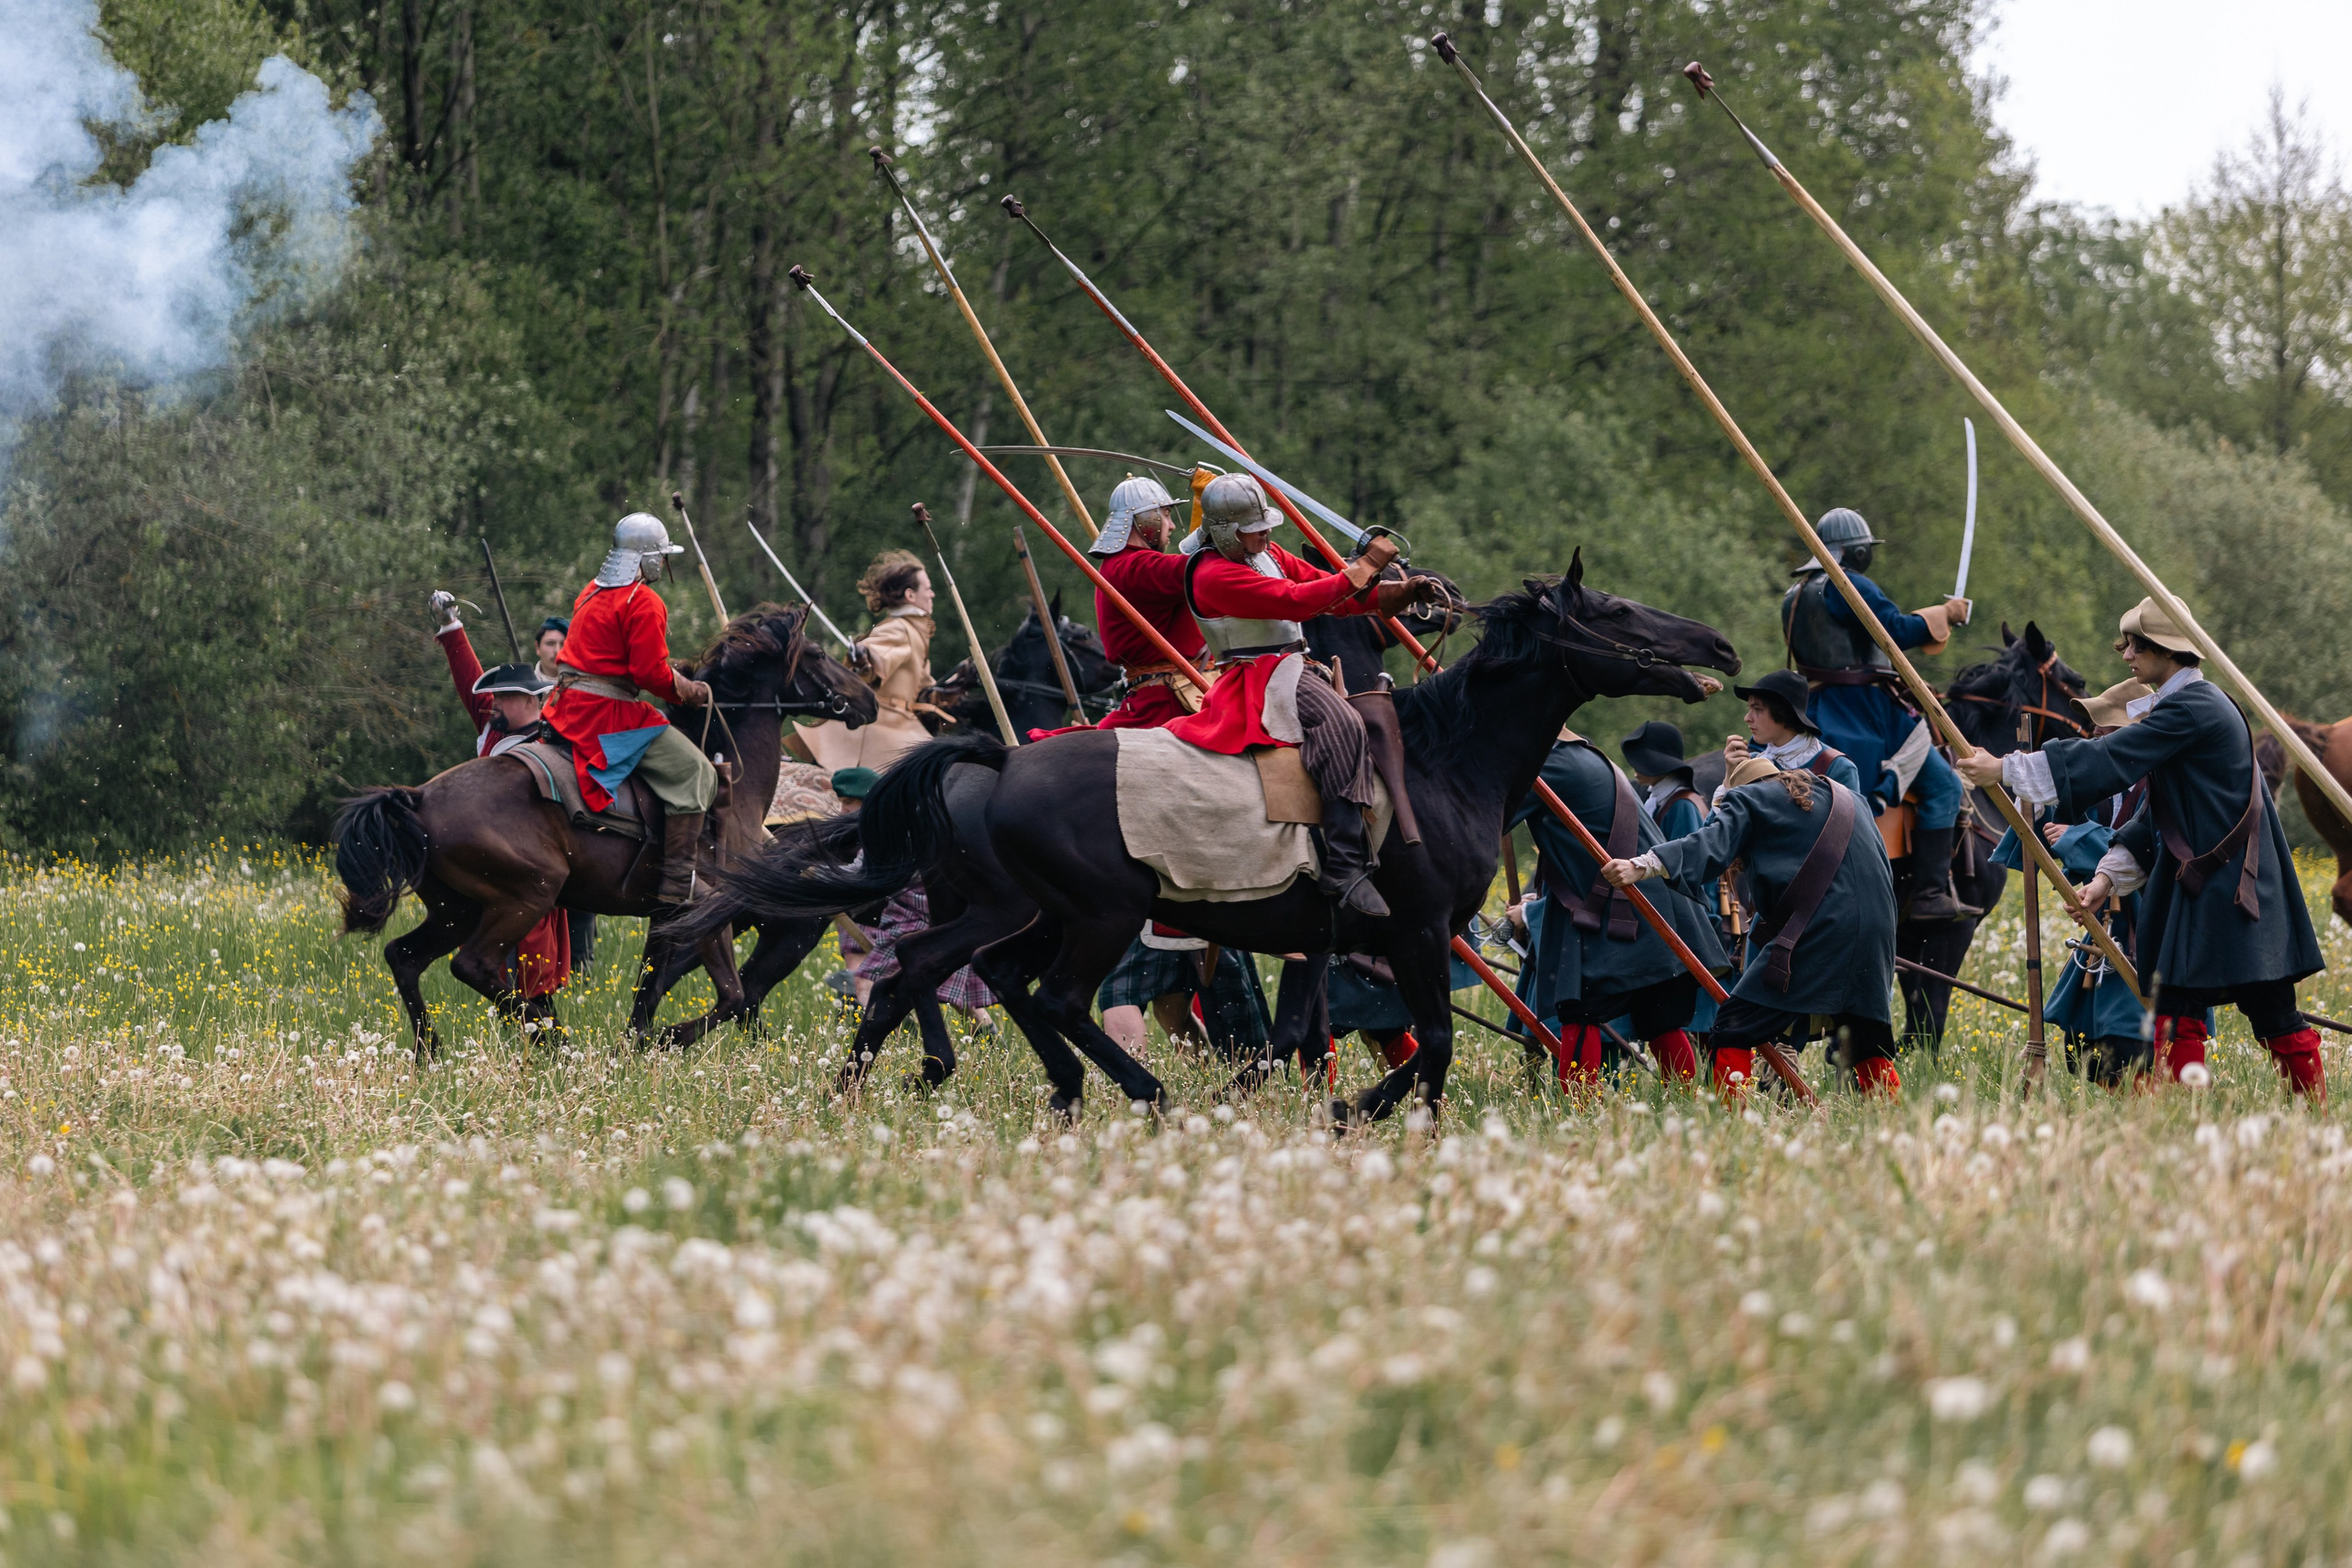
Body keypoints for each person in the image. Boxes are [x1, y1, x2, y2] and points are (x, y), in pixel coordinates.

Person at [1958, 597, 2325, 1100]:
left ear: (2165, 648)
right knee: (2175, 1010)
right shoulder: (2186, 705)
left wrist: (2006, 769)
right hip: (2206, 890)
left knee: (2274, 1012)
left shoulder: (2195, 706)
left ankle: (2317, 1116)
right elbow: (2156, 817)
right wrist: (2106, 880)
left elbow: (2110, 757)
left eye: (2135, 644)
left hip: (2234, 890)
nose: (2126, 654)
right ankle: (2179, 1125)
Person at [1163, 473, 1443, 916]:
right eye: (1254, 528)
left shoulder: (1267, 553)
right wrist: (1367, 563)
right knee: (1346, 724)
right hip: (1256, 676)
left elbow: (1334, 597)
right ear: (1224, 533)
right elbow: (1295, 601)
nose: (1267, 533)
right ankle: (1344, 866)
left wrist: (1399, 591)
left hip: (1294, 666)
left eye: (1264, 526)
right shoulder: (1211, 574)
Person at [1603, 751, 1903, 1097]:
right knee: (1866, 1036)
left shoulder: (1748, 798)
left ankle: (1731, 1131)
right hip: (1877, 930)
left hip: (1819, 929)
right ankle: (1890, 1121)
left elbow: (1710, 844)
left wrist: (1643, 865)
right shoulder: (1850, 798)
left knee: (1733, 1028)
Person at [1780, 507, 1977, 920]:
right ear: (1855, 552)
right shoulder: (1846, 583)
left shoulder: (1794, 595)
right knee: (1945, 787)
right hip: (1864, 712)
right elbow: (1894, 632)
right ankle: (1927, 893)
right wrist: (1946, 615)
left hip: (1815, 708)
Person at [1508, 731, 1727, 1087]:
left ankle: (1581, 1117)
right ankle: (1689, 1106)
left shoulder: (1552, 764)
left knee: (1581, 1010)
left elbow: (1490, 814)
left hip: (1632, 903)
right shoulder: (1580, 758)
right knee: (1658, 1018)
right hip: (1644, 905)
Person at [539, 512, 718, 908]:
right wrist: (689, 691)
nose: (663, 565)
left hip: (564, 706)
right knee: (697, 771)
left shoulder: (589, 590)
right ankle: (677, 880)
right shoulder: (644, 601)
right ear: (648, 559)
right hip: (607, 716)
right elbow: (650, 674)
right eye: (661, 557)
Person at [426, 590, 571, 998]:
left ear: (526, 701)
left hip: (534, 859)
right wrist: (450, 625)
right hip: (491, 854)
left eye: (502, 696)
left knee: (534, 957)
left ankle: (536, 1014)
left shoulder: (553, 739)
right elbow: (467, 676)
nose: (490, 704)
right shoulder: (494, 725)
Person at [1622, 718, 1719, 1035]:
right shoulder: (1657, 799)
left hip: (1681, 918)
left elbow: (1689, 868)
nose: (1635, 767)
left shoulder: (1680, 806)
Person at [798, 549, 936, 773]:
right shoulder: (900, 627)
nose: (932, 594)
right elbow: (874, 653)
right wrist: (864, 657)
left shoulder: (917, 632)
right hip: (881, 728)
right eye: (928, 588)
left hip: (903, 724)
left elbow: (922, 686)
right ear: (910, 595)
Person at [1090, 475, 1207, 728]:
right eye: (1165, 514)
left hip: (1176, 690)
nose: (1171, 525)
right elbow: (1201, 568)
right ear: (1145, 519)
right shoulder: (1134, 568)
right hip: (1168, 701)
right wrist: (1219, 514)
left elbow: (1194, 568)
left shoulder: (1127, 565)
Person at [1720, 671, 1866, 799]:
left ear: (1783, 713)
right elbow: (1717, 828)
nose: (1747, 718)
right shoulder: (1751, 764)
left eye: (1757, 709)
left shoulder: (1837, 768)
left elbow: (1852, 828)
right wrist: (1729, 779)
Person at [535, 616, 570, 682]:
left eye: (563, 644)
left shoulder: (583, 685)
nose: (557, 651)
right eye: (550, 643)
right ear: (537, 648)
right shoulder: (527, 689)